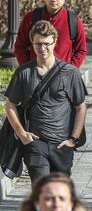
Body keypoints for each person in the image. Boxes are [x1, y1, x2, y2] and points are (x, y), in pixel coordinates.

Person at [5, 20, 87, 184]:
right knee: (42, 190)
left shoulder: (70, 73)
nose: (43, 48)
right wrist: (22, 134)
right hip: (35, 144)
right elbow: (9, 104)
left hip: (62, 144)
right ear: (32, 44)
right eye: (38, 44)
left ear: (55, 42)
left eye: (47, 44)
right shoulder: (24, 72)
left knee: (59, 191)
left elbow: (81, 106)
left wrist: (73, 139)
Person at [15, 0, 87, 67]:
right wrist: (28, 68)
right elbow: (20, 46)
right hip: (35, 72)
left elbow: (81, 50)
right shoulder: (31, 18)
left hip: (63, 74)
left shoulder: (74, 20)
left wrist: (70, 70)